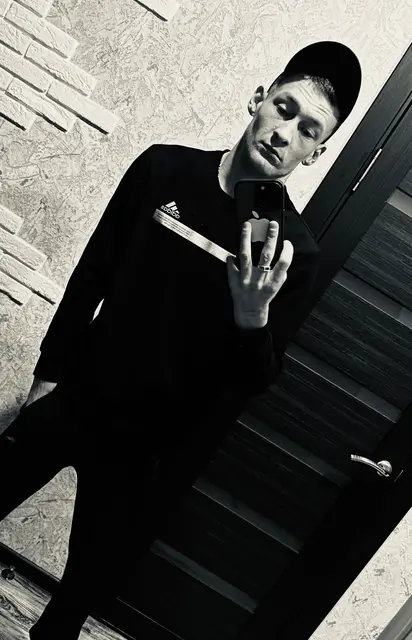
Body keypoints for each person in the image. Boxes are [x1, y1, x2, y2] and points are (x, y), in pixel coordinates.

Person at [0, 41, 361, 639]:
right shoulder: (164, 169)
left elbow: (256, 380)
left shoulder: (294, 253)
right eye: (284, 107)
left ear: (317, 152)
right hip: (77, 397)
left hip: (147, 450)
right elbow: (93, 274)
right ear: (259, 99)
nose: (285, 133)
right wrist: (47, 380)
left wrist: (253, 318)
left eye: (308, 130)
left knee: (69, 610)